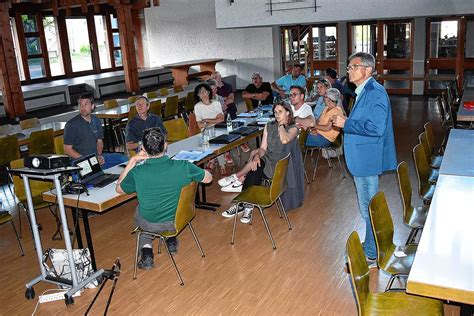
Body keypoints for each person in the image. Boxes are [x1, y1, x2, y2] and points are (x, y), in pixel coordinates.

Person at [332, 52, 397, 266]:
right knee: (367, 206)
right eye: (349, 67)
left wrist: (346, 123)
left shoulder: (375, 92)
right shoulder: (363, 91)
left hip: (367, 159)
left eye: (353, 66)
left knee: (368, 207)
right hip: (363, 158)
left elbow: (377, 128)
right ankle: (371, 245)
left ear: (368, 69)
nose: (349, 70)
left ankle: (370, 253)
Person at [116, 127, 212, 269]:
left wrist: (132, 161)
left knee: (140, 212)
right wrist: (198, 171)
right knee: (166, 204)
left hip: (152, 224)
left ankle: (147, 253)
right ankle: (171, 239)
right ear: (166, 146)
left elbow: (119, 188)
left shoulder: (137, 172)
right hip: (178, 220)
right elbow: (208, 179)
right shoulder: (183, 166)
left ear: (143, 148)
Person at [218, 102, 299, 224]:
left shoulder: (293, 128)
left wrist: (281, 126)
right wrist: (256, 156)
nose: (276, 115)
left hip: (280, 166)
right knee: (255, 166)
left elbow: (285, 139)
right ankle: (247, 207)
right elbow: (263, 149)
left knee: (254, 170)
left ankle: (241, 201)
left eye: (280, 112)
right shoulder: (269, 126)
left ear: (288, 112)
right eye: (275, 112)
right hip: (267, 159)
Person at [63, 94, 127, 170]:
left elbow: (99, 141)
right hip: (80, 160)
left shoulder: (96, 120)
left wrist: (99, 155)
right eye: (81, 104)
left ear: (92, 106)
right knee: (102, 171)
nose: (83, 107)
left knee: (123, 159)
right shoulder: (71, 125)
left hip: (95, 158)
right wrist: (89, 159)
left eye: (86, 104)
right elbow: (67, 149)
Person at [193, 83, 227, 174]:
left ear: (208, 92)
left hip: (219, 129)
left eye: (204, 91)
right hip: (205, 132)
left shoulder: (216, 103)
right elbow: (200, 125)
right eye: (200, 93)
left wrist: (207, 120)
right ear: (198, 95)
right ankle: (222, 164)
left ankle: (212, 161)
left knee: (217, 138)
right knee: (214, 140)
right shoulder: (197, 106)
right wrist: (215, 119)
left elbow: (222, 119)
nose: (203, 94)